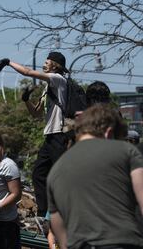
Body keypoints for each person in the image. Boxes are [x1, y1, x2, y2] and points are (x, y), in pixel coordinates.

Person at [47, 104, 143, 249]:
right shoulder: (126, 151)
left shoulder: (56, 169)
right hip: (122, 242)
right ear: (109, 133)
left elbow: (56, 222)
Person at [0, 52, 69, 216]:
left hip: (59, 135)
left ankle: (65, 211)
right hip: (49, 136)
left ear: (55, 65)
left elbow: (27, 72)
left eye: (47, 62)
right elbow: (36, 114)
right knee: (38, 174)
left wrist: (9, 62)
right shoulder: (48, 87)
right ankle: (43, 213)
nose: (44, 64)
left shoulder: (58, 79)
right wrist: (26, 99)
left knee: (60, 176)